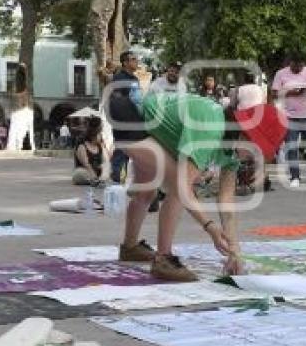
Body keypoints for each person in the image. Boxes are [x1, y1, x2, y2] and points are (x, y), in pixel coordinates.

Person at [116, 91, 283, 281]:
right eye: (255, 152)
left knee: (146, 193)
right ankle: (163, 259)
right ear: (246, 135)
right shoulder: (211, 129)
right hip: (130, 116)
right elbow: (183, 188)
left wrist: (234, 250)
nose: (252, 160)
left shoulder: (233, 148)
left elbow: (226, 200)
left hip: (146, 124)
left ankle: (129, 248)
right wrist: (210, 227)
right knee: (179, 186)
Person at [272, 54, 306, 187]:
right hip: (289, 116)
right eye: (296, 66)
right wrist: (291, 92)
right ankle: (295, 177)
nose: (299, 68)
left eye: (301, 65)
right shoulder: (281, 74)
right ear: (291, 63)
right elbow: (274, 93)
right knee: (292, 147)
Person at [109, 51, 143, 184]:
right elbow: (116, 99)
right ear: (125, 62)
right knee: (122, 149)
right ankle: (116, 179)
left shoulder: (134, 79)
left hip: (133, 119)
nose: (136, 61)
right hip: (122, 119)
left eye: (136, 59)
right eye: (133, 59)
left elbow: (137, 99)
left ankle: (123, 179)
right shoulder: (118, 78)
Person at [72, 117, 110, 186]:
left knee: (107, 166)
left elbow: (106, 161)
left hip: (98, 172)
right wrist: (93, 176)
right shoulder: (82, 145)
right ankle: (94, 181)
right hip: (86, 171)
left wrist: (103, 175)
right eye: (100, 133)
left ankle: (100, 180)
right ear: (95, 134)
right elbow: (86, 164)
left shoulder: (100, 145)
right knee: (79, 173)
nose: (102, 136)